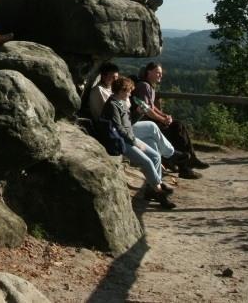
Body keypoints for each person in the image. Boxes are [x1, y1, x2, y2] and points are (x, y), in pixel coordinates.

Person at [88, 65, 182, 167]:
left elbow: (128, 108)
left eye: (117, 77)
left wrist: (137, 111)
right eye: (112, 77)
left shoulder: (114, 89)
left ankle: (158, 172)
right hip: (115, 129)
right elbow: (105, 114)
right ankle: (171, 155)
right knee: (152, 127)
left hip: (127, 122)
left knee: (151, 141)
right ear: (103, 76)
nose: (115, 80)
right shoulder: (98, 91)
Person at [106, 74, 176, 209]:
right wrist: (135, 142)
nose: (131, 93)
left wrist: (138, 113)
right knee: (147, 161)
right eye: (129, 91)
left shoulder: (121, 102)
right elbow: (119, 129)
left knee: (155, 156)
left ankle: (153, 188)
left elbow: (128, 124)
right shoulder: (113, 105)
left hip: (128, 138)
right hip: (120, 141)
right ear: (122, 91)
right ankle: (160, 193)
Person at [132, 62, 209, 177]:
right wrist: (162, 120)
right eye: (157, 73)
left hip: (149, 121)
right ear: (149, 72)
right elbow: (146, 110)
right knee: (176, 131)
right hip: (144, 123)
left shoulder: (149, 86)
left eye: (161, 73)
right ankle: (186, 166)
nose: (160, 76)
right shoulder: (144, 86)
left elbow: (152, 107)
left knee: (178, 125)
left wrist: (165, 116)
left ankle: (189, 160)